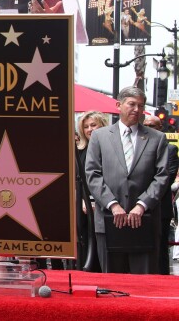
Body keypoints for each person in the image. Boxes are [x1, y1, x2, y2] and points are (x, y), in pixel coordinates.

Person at [85, 86, 168, 274]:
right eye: (131, 104)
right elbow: (92, 174)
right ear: (119, 105)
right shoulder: (100, 136)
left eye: (141, 105)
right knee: (112, 283)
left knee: (144, 283)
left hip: (144, 221)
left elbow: (162, 176)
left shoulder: (157, 138)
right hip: (109, 220)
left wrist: (142, 205)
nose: (137, 110)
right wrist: (113, 205)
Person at [143, 114, 179, 274]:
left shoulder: (170, 149)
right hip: (137, 207)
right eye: (146, 125)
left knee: (161, 248)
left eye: (153, 126)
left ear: (160, 128)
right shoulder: (135, 146)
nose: (149, 129)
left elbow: (167, 177)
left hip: (160, 208)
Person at [75, 111, 108, 271]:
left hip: (105, 205)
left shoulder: (110, 149)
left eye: (93, 125)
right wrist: (82, 200)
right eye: (86, 126)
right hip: (83, 206)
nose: (90, 129)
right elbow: (77, 179)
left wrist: (97, 200)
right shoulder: (79, 150)